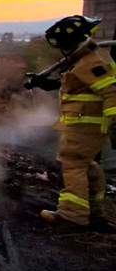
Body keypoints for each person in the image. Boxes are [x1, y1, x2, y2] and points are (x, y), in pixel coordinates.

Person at [28, 15, 116, 227]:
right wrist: (50, 84)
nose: (62, 49)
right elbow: (79, 85)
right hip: (83, 123)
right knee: (87, 165)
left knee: (73, 163)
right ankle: (95, 212)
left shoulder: (93, 62)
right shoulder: (85, 60)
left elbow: (111, 91)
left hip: (86, 124)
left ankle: (72, 213)